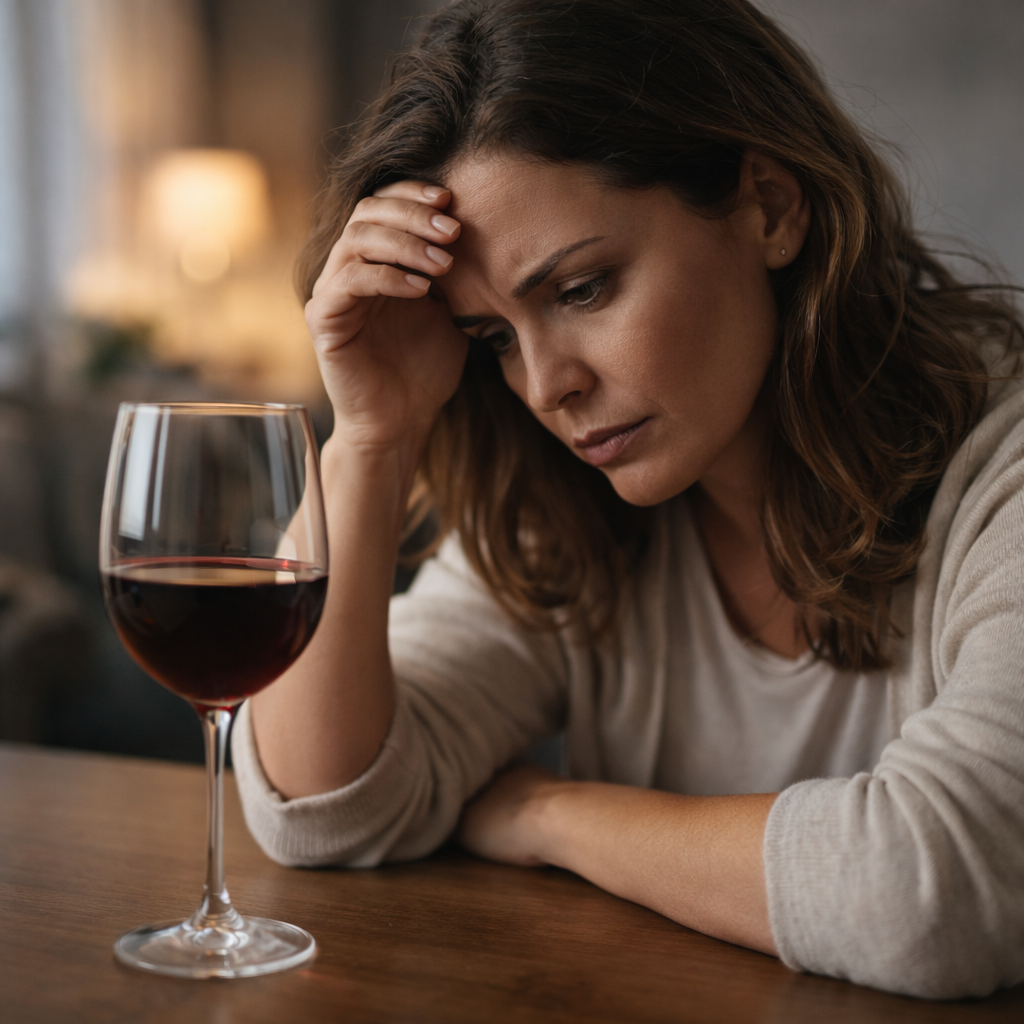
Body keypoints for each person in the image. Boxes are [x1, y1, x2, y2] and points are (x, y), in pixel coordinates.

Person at [231, 0, 1024, 999]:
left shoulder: (1004, 481)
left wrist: (546, 815)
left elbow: (927, 896)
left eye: (583, 289)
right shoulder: (566, 507)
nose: (544, 384)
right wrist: (370, 439)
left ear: (770, 206)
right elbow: (322, 807)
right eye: (493, 339)